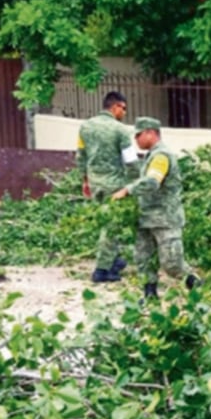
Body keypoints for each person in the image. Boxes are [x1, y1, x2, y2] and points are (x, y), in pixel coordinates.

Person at [110, 117, 200, 301]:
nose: (136, 140)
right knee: (144, 259)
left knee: (172, 264)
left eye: (138, 135)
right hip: (146, 218)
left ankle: (196, 285)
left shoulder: (161, 156)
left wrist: (127, 190)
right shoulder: (151, 155)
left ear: (151, 133)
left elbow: (152, 182)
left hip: (165, 219)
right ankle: (150, 295)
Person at [77, 91, 140, 283]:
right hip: (115, 185)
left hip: (95, 183)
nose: (125, 113)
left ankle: (114, 260)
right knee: (112, 227)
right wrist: (135, 183)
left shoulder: (85, 127)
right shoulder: (120, 130)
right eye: (124, 109)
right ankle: (102, 270)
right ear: (115, 107)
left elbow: (81, 156)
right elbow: (130, 161)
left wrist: (85, 180)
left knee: (106, 224)